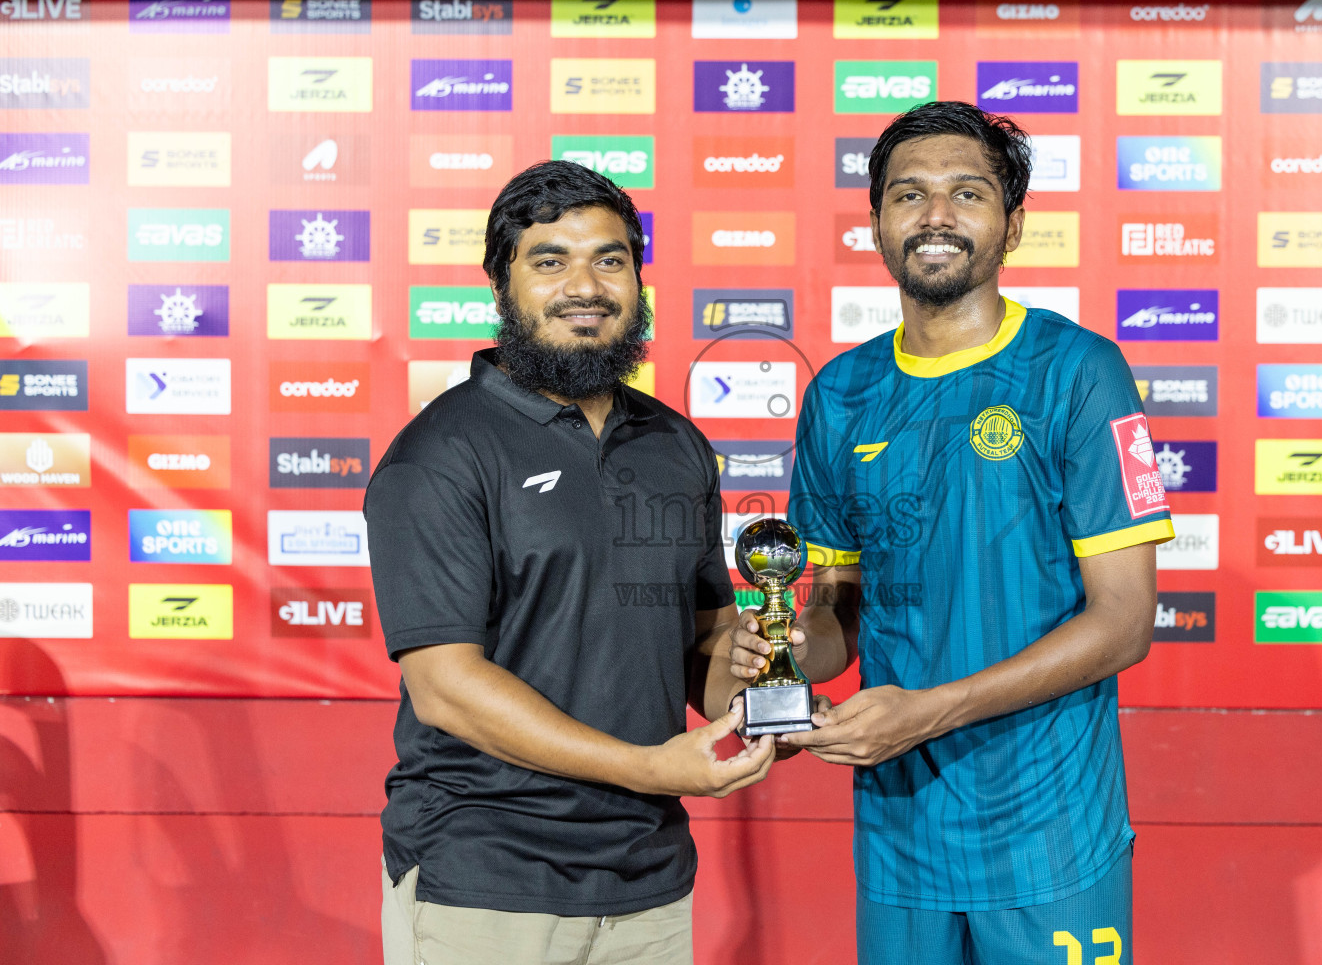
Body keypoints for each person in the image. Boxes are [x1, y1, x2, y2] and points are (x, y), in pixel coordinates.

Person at [729, 101, 1174, 964]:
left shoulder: (1078, 371)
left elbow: (1123, 623)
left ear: (1011, 225)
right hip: (900, 828)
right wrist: (775, 653)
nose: (935, 215)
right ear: (875, 223)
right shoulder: (842, 393)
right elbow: (834, 620)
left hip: (1051, 830)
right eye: (908, 195)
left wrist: (927, 713)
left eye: (966, 194)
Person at [366, 159, 774, 965]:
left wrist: (759, 693)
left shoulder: (675, 445)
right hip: (487, 881)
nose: (584, 286)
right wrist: (649, 767)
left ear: (638, 279)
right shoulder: (440, 454)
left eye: (610, 259)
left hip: (649, 879)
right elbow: (446, 687)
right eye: (550, 261)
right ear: (501, 284)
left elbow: (704, 646)